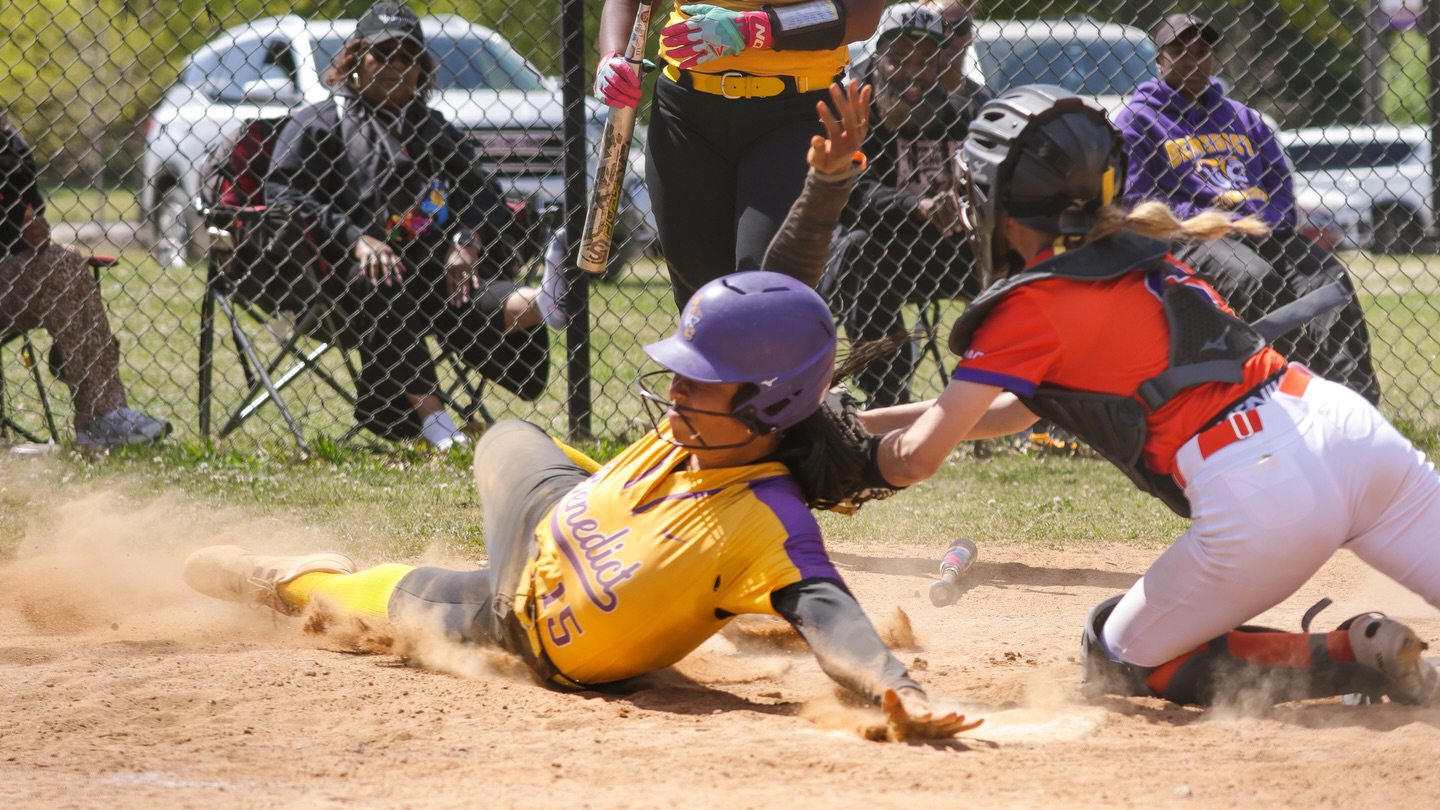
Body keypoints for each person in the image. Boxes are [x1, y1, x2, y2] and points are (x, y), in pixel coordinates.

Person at [831, 84, 1437, 707]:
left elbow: (915, 460)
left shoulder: (1031, 302)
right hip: (1345, 429)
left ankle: (1354, 654)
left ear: (999, 205)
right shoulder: (1139, 252)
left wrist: (837, 457)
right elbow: (1011, 412)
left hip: (1262, 487)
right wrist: (862, 423)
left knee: (1117, 654)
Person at [265, 2, 551, 449]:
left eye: (409, 56)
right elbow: (285, 194)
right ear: (356, 58)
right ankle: (436, 425)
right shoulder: (321, 123)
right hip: (350, 275)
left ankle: (548, 300)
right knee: (385, 277)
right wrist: (356, 238)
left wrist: (466, 240)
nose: (397, 65)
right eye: (383, 54)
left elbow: (483, 194)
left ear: (422, 68)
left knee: (467, 283)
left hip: (435, 267)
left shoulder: (432, 127)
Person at [1115, 13, 1381, 405]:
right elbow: (1138, 200)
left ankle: (1358, 400)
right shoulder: (1137, 121)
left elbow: (1279, 182)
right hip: (1194, 237)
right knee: (1255, 278)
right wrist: (1211, 220)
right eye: (1180, 51)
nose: (1193, 61)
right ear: (1159, 60)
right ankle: (1297, 397)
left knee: (1328, 277)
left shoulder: (1242, 117)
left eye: (1202, 52)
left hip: (1260, 229)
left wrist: (1268, 221)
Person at [594, 0, 886, 309]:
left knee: (765, 291)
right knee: (699, 301)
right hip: (686, 115)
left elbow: (862, 15)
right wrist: (611, 56)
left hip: (797, 114)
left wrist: (756, 27)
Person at [828, 4, 988, 406]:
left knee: (1017, 251)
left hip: (956, 247)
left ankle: (1001, 387)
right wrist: (917, 206)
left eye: (925, 61)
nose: (913, 73)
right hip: (884, 250)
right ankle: (888, 396)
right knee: (861, 251)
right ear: (877, 59)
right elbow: (850, 194)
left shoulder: (969, 105)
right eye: (898, 59)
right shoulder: (855, 104)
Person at [0, 118, 170, 449]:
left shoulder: (9, 144)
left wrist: (31, 232)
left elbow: (27, 211)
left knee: (64, 262)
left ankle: (103, 418)